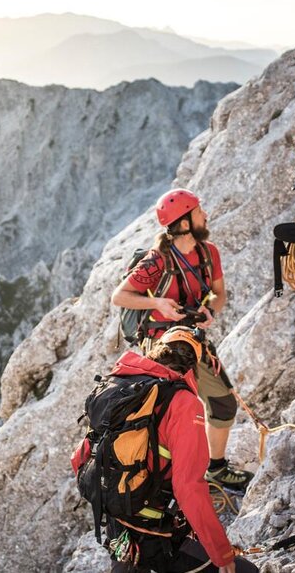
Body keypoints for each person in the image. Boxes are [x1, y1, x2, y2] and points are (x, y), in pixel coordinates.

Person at [111, 189, 254, 489]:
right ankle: (166, 481)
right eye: (200, 212)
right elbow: (120, 296)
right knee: (174, 413)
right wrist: (158, 304)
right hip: (162, 345)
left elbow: (220, 293)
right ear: (185, 222)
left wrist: (210, 309)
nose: (206, 216)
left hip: (193, 337)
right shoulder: (157, 260)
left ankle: (215, 468)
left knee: (223, 402)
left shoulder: (208, 253)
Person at [84, 328, 258, 573]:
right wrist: (222, 553)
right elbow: (189, 487)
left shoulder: (118, 384)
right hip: (154, 532)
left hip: (116, 521)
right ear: (192, 369)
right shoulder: (183, 403)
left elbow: (83, 455)